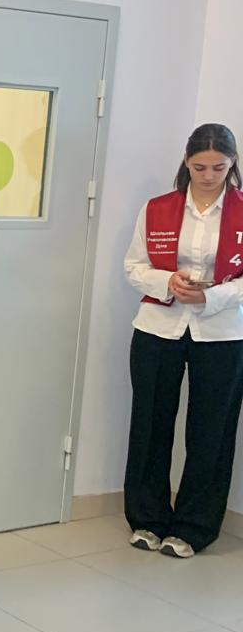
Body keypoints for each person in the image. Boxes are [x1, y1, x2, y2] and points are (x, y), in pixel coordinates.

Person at [122, 123, 243, 559]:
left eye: (219, 167)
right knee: (150, 423)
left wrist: (212, 297)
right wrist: (167, 282)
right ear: (186, 162)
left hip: (223, 332)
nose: (209, 176)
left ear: (232, 164)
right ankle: (147, 519)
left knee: (212, 429)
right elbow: (134, 266)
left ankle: (194, 527)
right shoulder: (158, 208)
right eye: (199, 167)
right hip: (159, 326)